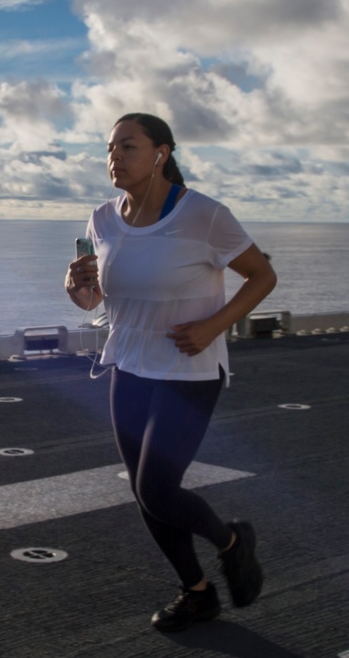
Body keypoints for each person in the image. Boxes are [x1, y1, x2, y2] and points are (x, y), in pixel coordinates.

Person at [65, 112, 277, 633]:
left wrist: (213, 326)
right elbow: (96, 300)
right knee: (145, 492)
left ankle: (232, 542)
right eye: (111, 148)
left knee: (159, 489)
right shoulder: (102, 219)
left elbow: (262, 275)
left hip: (188, 368)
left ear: (161, 153)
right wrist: (77, 289)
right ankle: (198, 592)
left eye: (128, 146)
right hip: (129, 364)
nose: (114, 156)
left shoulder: (203, 215)